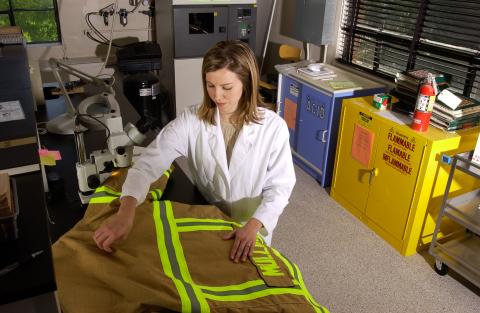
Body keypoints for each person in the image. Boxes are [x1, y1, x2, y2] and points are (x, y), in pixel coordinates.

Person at [93, 40, 296, 263]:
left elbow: (280, 187)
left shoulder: (273, 128)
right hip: (208, 220)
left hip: (253, 226)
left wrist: (255, 224)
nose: (217, 95)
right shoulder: (191, 121)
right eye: (210, 86)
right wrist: (126, 212)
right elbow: (148, 164)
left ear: (247, 83)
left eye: (226, 87)